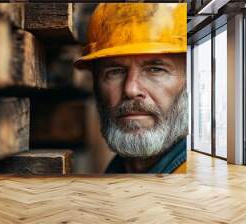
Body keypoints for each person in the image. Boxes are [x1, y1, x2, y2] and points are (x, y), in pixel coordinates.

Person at [74, 3, 188, 173]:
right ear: (96, 83)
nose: (130, 89)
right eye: (115, 72)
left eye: (155, 69)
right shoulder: (118, 170)